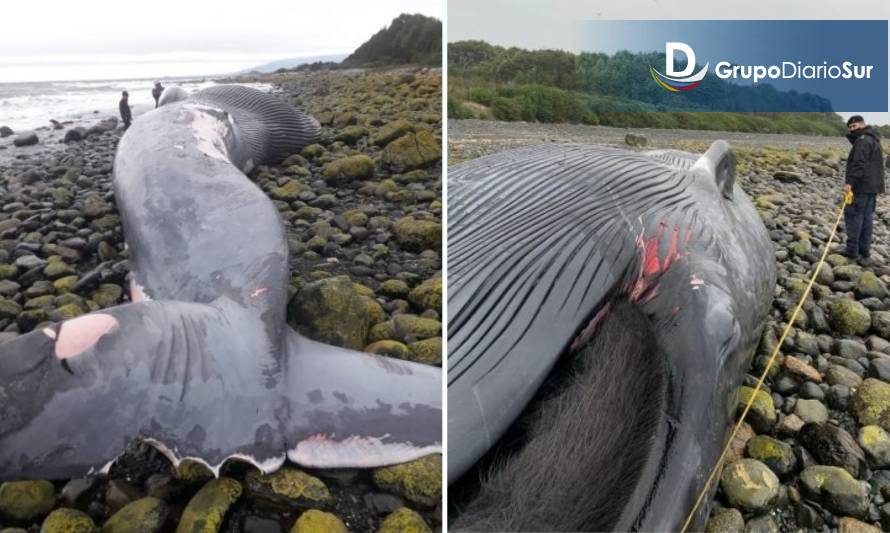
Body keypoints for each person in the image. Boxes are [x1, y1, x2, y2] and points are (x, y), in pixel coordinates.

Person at [843, 115, 885, 264]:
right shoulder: (873, 139)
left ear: (862, 125)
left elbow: (859, 164)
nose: (852, 129)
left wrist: (850, 183)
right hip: (872, 187)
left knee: (854, 216)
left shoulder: (862, 141)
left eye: (854, 126)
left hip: (861, 187)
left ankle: (852, 252)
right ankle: (864, 251)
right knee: (866, 218)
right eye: (850, 128)